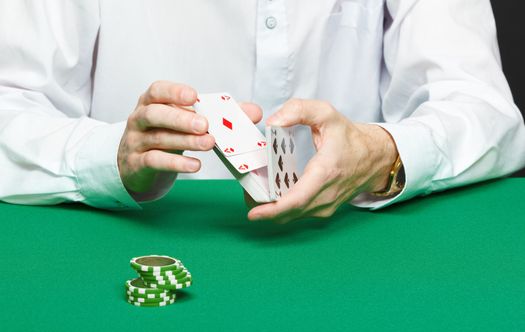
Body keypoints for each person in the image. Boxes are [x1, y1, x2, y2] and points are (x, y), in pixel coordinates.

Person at [1, 0, 524, 223]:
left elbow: (483, 107)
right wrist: (108, 157)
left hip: (351, 257)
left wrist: (382, 153)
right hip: (132, 242)